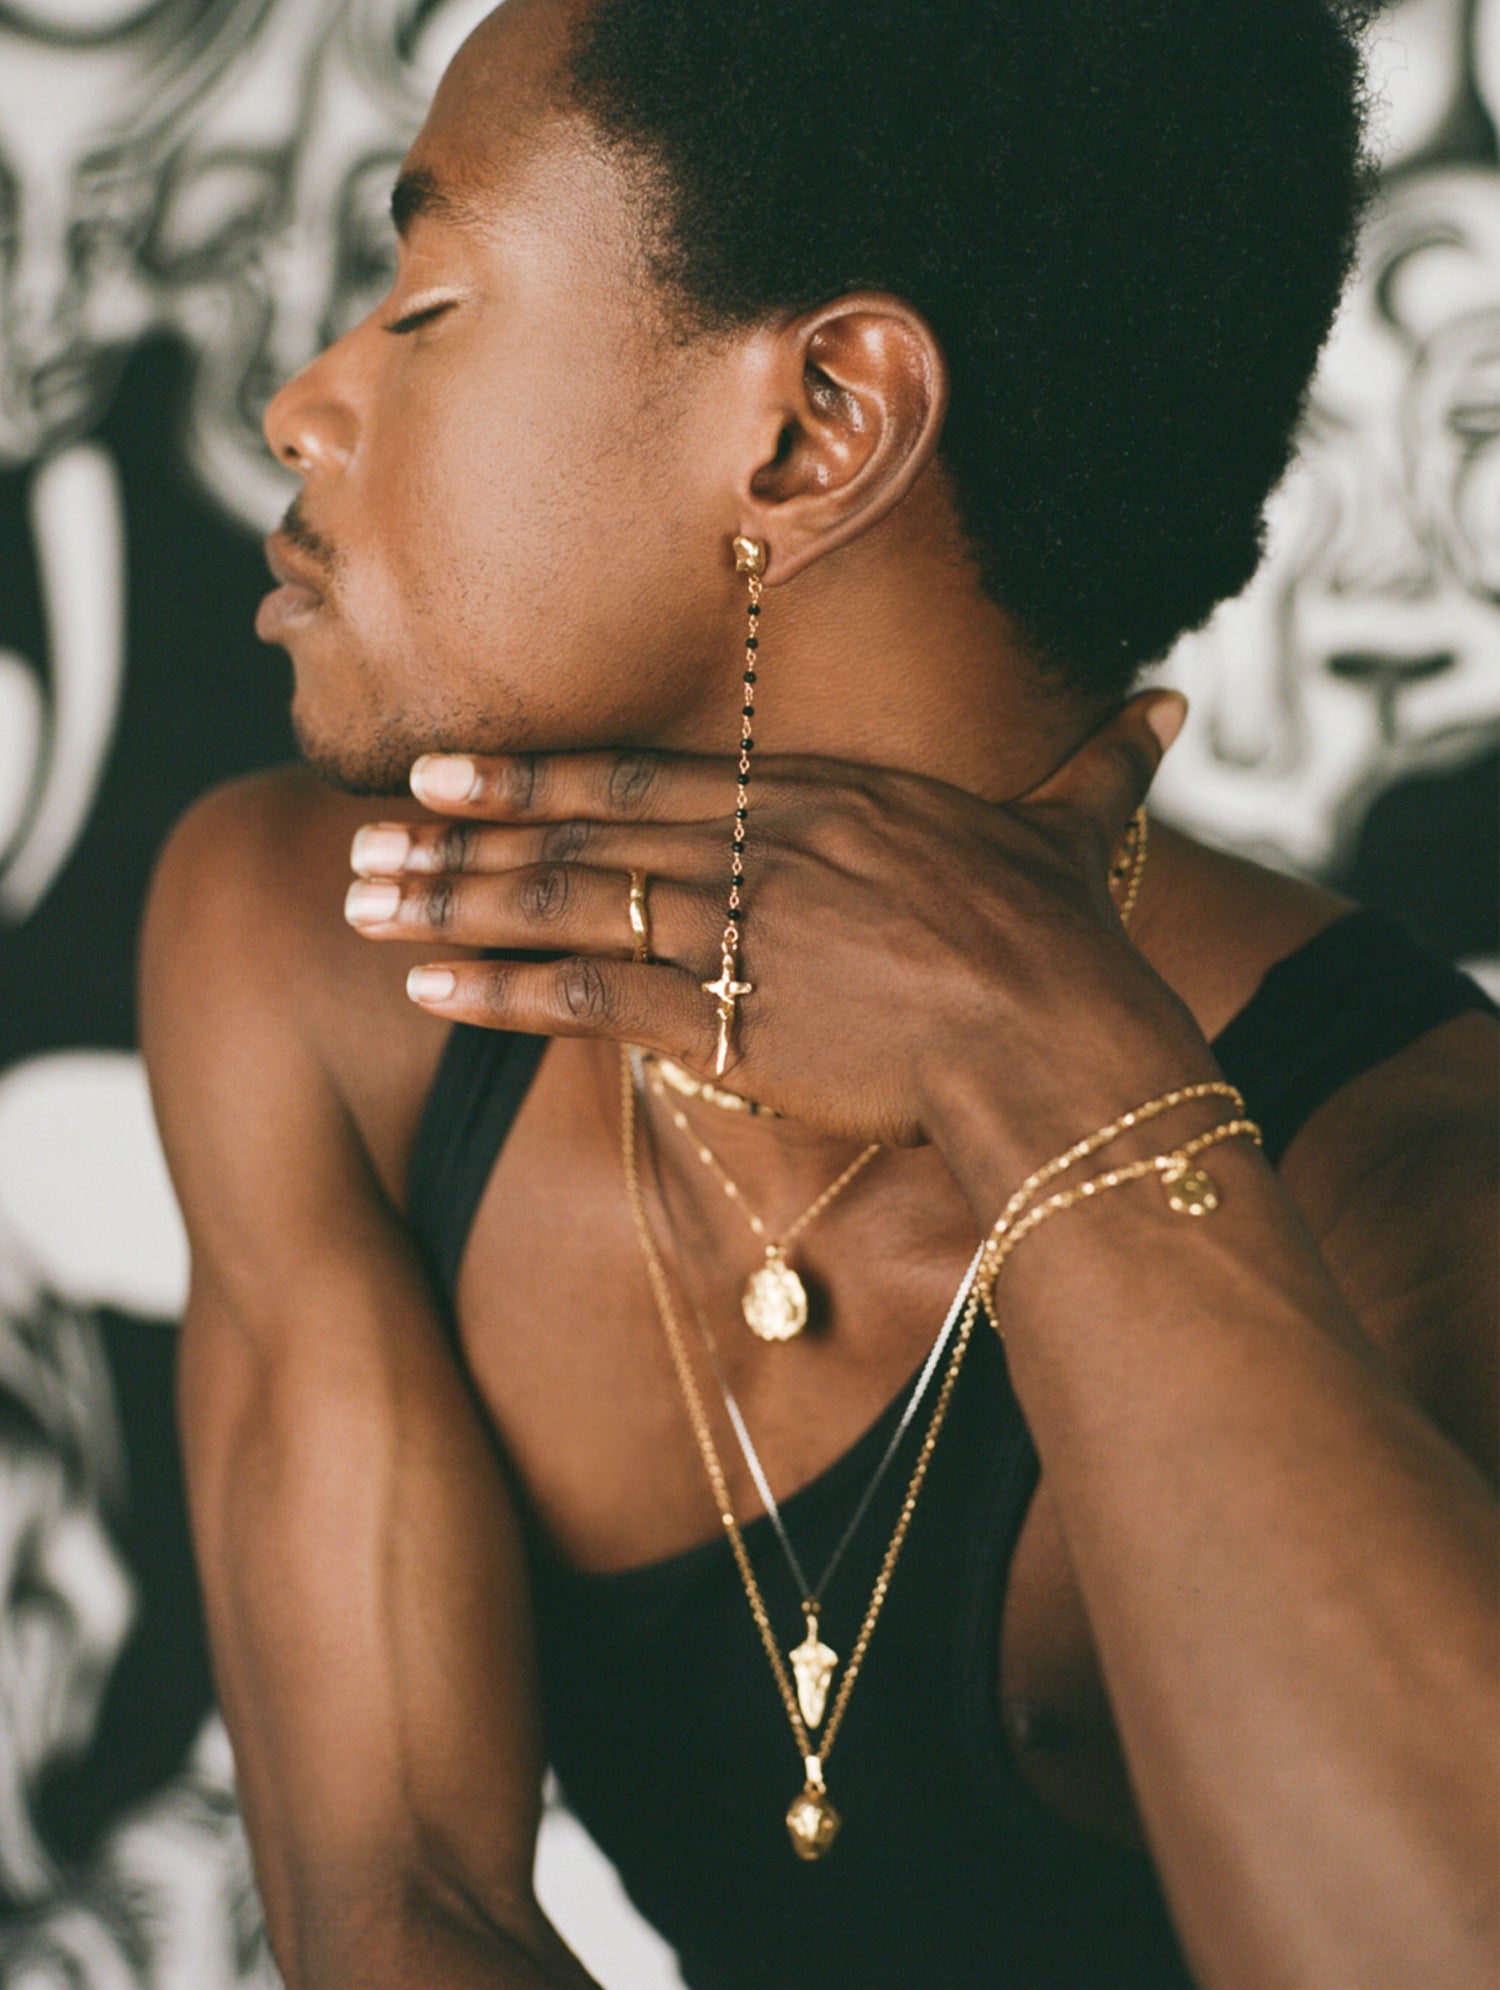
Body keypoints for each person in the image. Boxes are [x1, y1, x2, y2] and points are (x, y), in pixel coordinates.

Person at [139, 1, 1499, 1985]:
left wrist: (1049, 1062)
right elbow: (398, 1907)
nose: (303, 404)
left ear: (814, 426)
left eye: (426, 302)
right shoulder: (314, 956)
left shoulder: (1414, 1210)